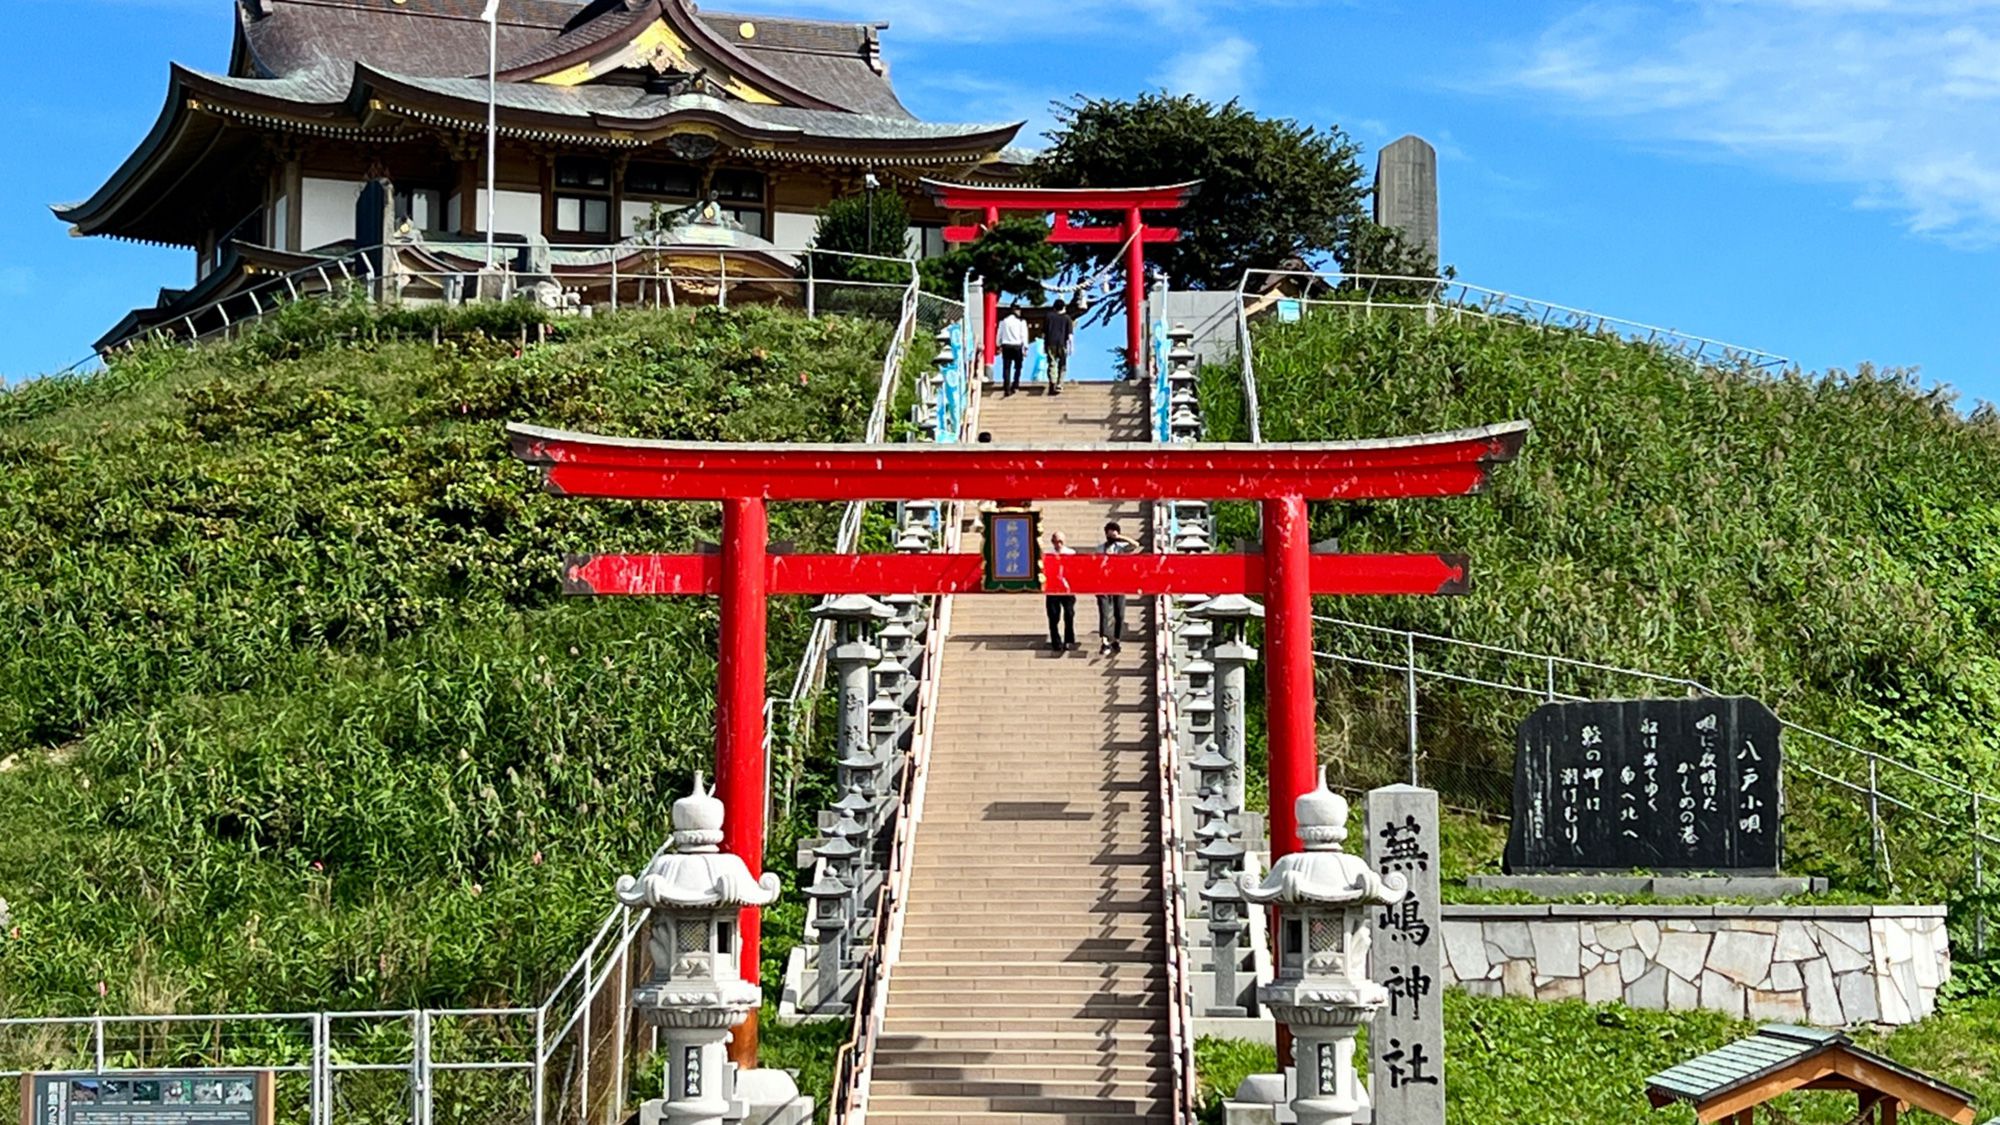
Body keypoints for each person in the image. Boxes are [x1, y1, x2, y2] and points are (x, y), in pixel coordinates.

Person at [1096, 520, 1140, 653]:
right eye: (1109, 534)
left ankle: (1116, 639)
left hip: (1119, 582)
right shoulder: (1100, 549)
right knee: (1104, 612)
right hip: (1104, 583)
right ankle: (1104, 640)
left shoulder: (1121, 547)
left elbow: (1135, 545)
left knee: (1119, 613)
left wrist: (1120, 537)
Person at [1044, 531, 1077, 653]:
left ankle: (1069, 640)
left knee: (1069, 614)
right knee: (1053, 616)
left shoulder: (1070, 553)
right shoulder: (1048, 554)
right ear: (1052, 542)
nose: (1058, 544)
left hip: (1067, 589)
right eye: (1056, 541)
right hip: (1053, 589)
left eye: (1060, 542)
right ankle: (1056, 641)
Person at [1042, 301, 1075, 395]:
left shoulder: (1048, 317)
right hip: (1062, 344)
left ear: (1054, 308)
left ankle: (1052, 381)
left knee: (1052, 363)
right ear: (1064, 307)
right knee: (1062, 365)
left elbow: (1044, 333)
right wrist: (1071, 347)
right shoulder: (1067, 318)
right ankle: (1059, 383)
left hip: (1050, 343)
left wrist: (1044, 345)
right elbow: (1070, 335)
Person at [996, 305, 1028, 394]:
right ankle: (1015, 384)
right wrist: (1025, 347)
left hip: (1006, 345)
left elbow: (999, 334)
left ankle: (1006, 387)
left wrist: (998, 344)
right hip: (1017, 346)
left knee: (1006, 367)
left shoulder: (1003, 321)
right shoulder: (1021, 322)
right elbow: (1024, 335)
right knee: (1018, 367)